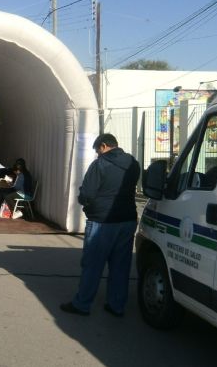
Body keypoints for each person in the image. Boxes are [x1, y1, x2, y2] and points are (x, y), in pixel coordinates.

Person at [60, 133, 141, 317]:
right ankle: (116, 305)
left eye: (98, 150)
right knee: (121, 266)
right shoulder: (133, 164)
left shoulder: (100, 165)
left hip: (102, 222)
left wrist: (86, 203)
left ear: (104, 146)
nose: (97, 154)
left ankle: (82, 304)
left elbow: (87, 194)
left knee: (92, 265)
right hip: (127, 220)